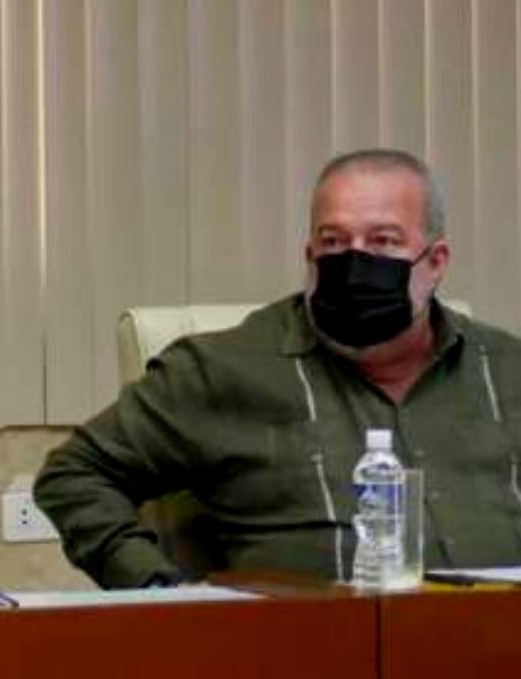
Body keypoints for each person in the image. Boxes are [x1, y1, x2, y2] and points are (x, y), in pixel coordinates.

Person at [35, 149, 521, 588]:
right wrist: (158, 591)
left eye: (383, 242)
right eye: (333, 242)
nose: (353, 262)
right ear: (309, 256)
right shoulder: (224, 370)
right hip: (304, 649)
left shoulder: (505, 371)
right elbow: (74, 474)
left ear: (435, 262)